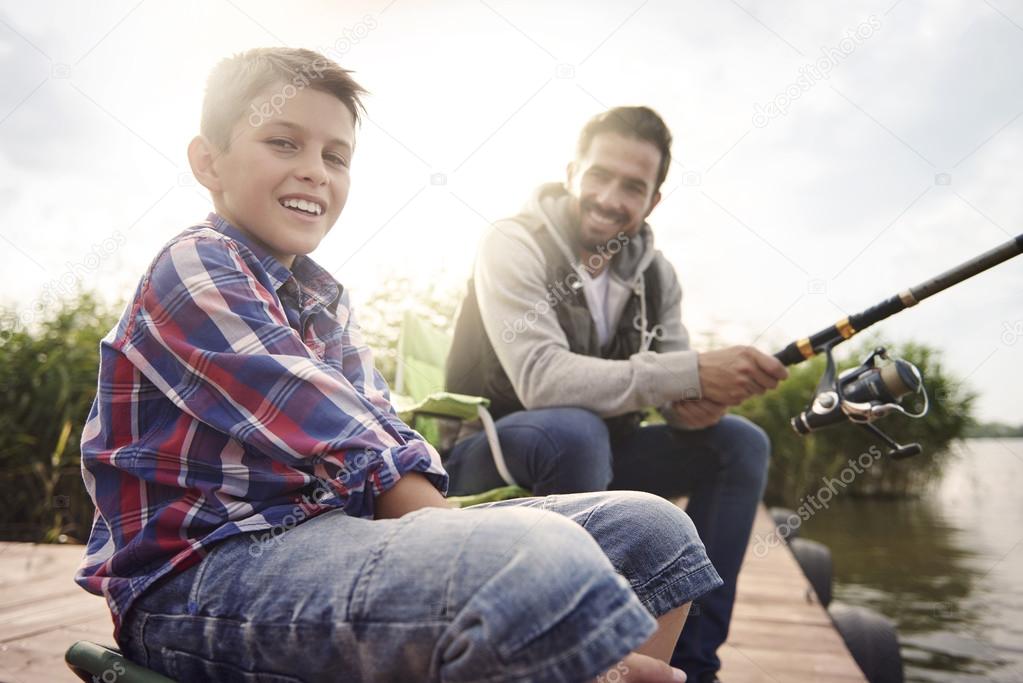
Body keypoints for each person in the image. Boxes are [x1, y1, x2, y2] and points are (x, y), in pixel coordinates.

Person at [73, 49, 724, 683]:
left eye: (335, 156)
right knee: (531, 560)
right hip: (197, 579)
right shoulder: (196, 264)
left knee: (655, 531)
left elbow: (376, 417)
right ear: (207, 161)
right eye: (282, 142)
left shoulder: (324, 301)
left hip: (329, 539)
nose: (314, 172)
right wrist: (461, 542)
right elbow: (334, 427)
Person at [444, 106, 789, 682]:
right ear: (573, 169)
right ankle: (579, 662)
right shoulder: (512, 242)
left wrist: (707, 399)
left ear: (652, 201)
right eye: (599, 176)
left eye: (633, 186)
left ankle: (692, 666)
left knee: (739, 445)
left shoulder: (660, 276)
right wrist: (689, 373)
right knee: (573, 428)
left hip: (599, 452)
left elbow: (678, 402)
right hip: (494, 447)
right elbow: (542, 378)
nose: (609, 197)